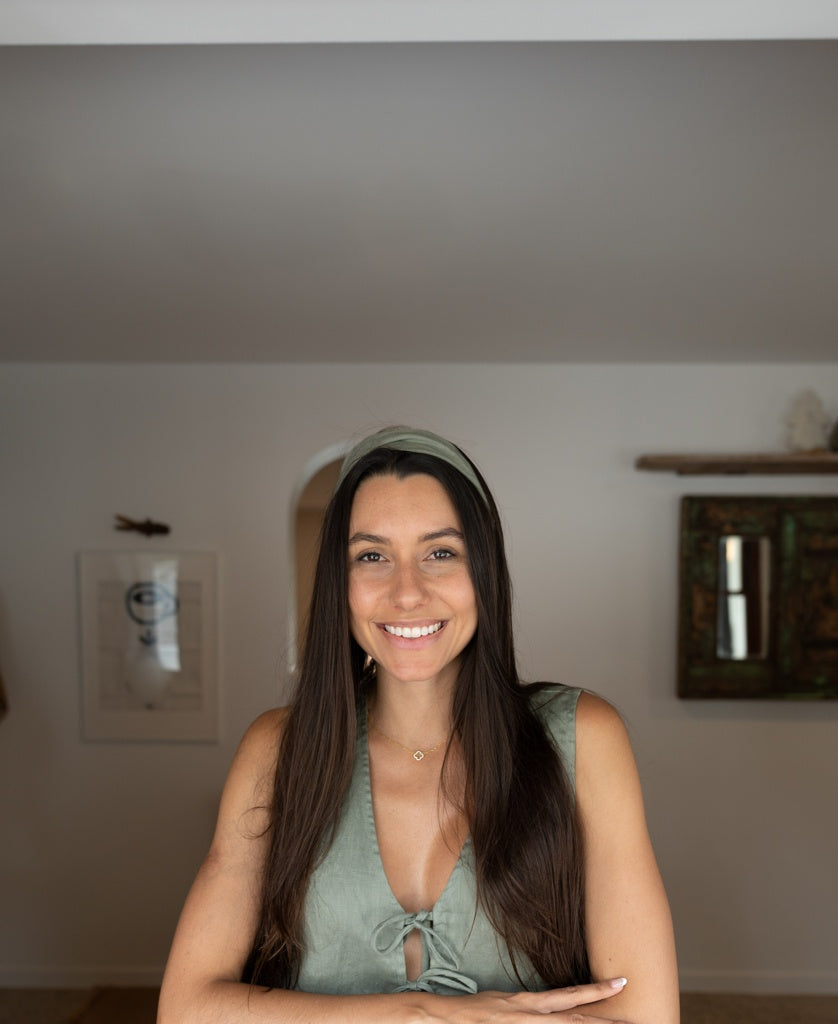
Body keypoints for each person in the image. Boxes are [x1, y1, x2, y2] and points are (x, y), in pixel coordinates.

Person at [158, 426, 679, 1023]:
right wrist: (422, 1014)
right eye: (372, 556)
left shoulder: (583, 736)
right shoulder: (276, 749)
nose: (407, 592)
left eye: (440, 553)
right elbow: (186, 1009)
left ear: (483, 572)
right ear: (341, 583)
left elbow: (645, 1015)